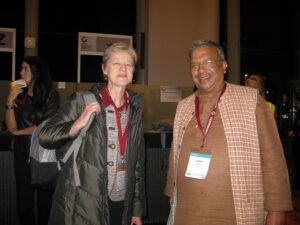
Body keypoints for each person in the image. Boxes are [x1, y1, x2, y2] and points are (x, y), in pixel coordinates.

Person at [164, 40, 292, 225]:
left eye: (208, 62)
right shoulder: (183, 106)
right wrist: (170, 193)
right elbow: (174, 156)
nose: (201, 70)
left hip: (237, 214)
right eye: (194, 65)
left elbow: (273, 159)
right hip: (186, 213)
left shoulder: (251, 101)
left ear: (224, 65)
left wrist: (277, 210)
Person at [39, 42, 146, 225]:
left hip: (121, 199)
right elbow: (45, 136)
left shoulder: (134, 108)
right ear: (104, 69)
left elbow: (137, 163)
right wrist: (77, 123)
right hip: (84, 201)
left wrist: (136, 209)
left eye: (128, 64)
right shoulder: (82, 101)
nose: (123, 68)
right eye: (116, 63)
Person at [5, 56, 59, 225]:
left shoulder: (50, 94)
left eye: (25, 68)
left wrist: (18, 132)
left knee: (45, 203)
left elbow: (46, 125)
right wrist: (9, 101)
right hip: (22, 153)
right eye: (21, 69)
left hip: (43, 154)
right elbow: (10, 126)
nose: (21, 72)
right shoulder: (20, 96)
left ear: (36, 72)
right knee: (23, 204)